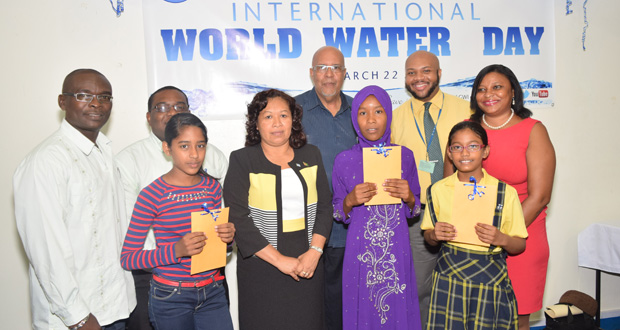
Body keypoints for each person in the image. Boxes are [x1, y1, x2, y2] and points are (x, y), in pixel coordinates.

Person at [14, 69, 136, 330]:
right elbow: (45, 249)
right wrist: (78, 317)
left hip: (115, 310)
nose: (96, 103)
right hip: (74, 319)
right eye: (84, 95)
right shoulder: (46, 161)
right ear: (62, 102)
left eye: (105, 97)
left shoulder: (104, 154)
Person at [116, 86, 228, 330]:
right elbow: (128, 258)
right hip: (171, 296)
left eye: (200, 146)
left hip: (213, 291)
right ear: (167, 149)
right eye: (184, 146)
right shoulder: (151, 194)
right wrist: (175, 250)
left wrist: (228, 238)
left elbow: (216, 241)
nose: (194, 154)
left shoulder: (212, 186)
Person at [224, 89, 333, 330]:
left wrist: (315, 252)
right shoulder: (243, 160)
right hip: (262, 266)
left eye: (283, 115)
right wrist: (280, 261)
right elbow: (238, 218)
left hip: (308, 263)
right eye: (268, 116)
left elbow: (325, 206)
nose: (277, 123)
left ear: (293, 120)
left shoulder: (311, 154)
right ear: (256, 123)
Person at [468, 64, 556, 330]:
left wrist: (503, 235)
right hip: (473, 237)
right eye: (481, 89)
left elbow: (540, 196)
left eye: (497, 87)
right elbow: (450, 187)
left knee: (516, 316)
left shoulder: (533, 130)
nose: (488, 94)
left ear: (513, 93)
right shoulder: (466, 130)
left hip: (522, 235)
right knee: (475, 315)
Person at [391, 50, 471, 326]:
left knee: (464, 287)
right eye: (411, 73)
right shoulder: (395, 118)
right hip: (417, 217)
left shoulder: (466, 111)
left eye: (426, 71)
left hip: (464, 211)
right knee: (419, 288)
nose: (418, 78)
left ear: (439, 74)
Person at [422, 121, 528, 330]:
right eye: (457, 147)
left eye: (473, 146)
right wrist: (434, 235)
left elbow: (519, 245)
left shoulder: (505, 193)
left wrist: (501, 239)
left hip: (490, 277)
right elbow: (427, 234)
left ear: (485, 151)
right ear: (449, 153)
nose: (465, 153)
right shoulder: (437, 190)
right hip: (449, 276)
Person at [332, 85, 422, 329]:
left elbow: (415, 209)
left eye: (378, 111)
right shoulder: (344, 160)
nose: (371, 120)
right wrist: (350, 200)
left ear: (389, 115)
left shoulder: (405, 156)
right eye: (362, 113)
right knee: (362, 307)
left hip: (397, 248)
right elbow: (338, 211)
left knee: (397, 306)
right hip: (361, 251)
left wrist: (410, 198)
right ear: (354, 118)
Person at [295, 46, 357, 330]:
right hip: (304, 228)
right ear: (311, 73)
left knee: (346, 305)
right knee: (307, 308)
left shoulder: (360, 110)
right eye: (322, 68)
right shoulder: (291, 112)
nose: (329, 75)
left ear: (344, 73)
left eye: (335, 68)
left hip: (351, 227)